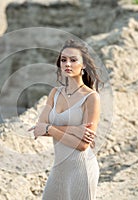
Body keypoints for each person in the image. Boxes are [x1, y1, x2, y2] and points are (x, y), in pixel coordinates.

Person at [28, 39, 102, 200]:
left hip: (81, 169)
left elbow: (82, 145)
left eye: (73, 60)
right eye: (63, 60)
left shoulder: (91, 98)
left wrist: (51, 129)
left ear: (83, 65)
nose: (67, 64)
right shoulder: (55, 93)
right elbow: (39, 127)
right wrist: (74, 129)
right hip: (59, 169)